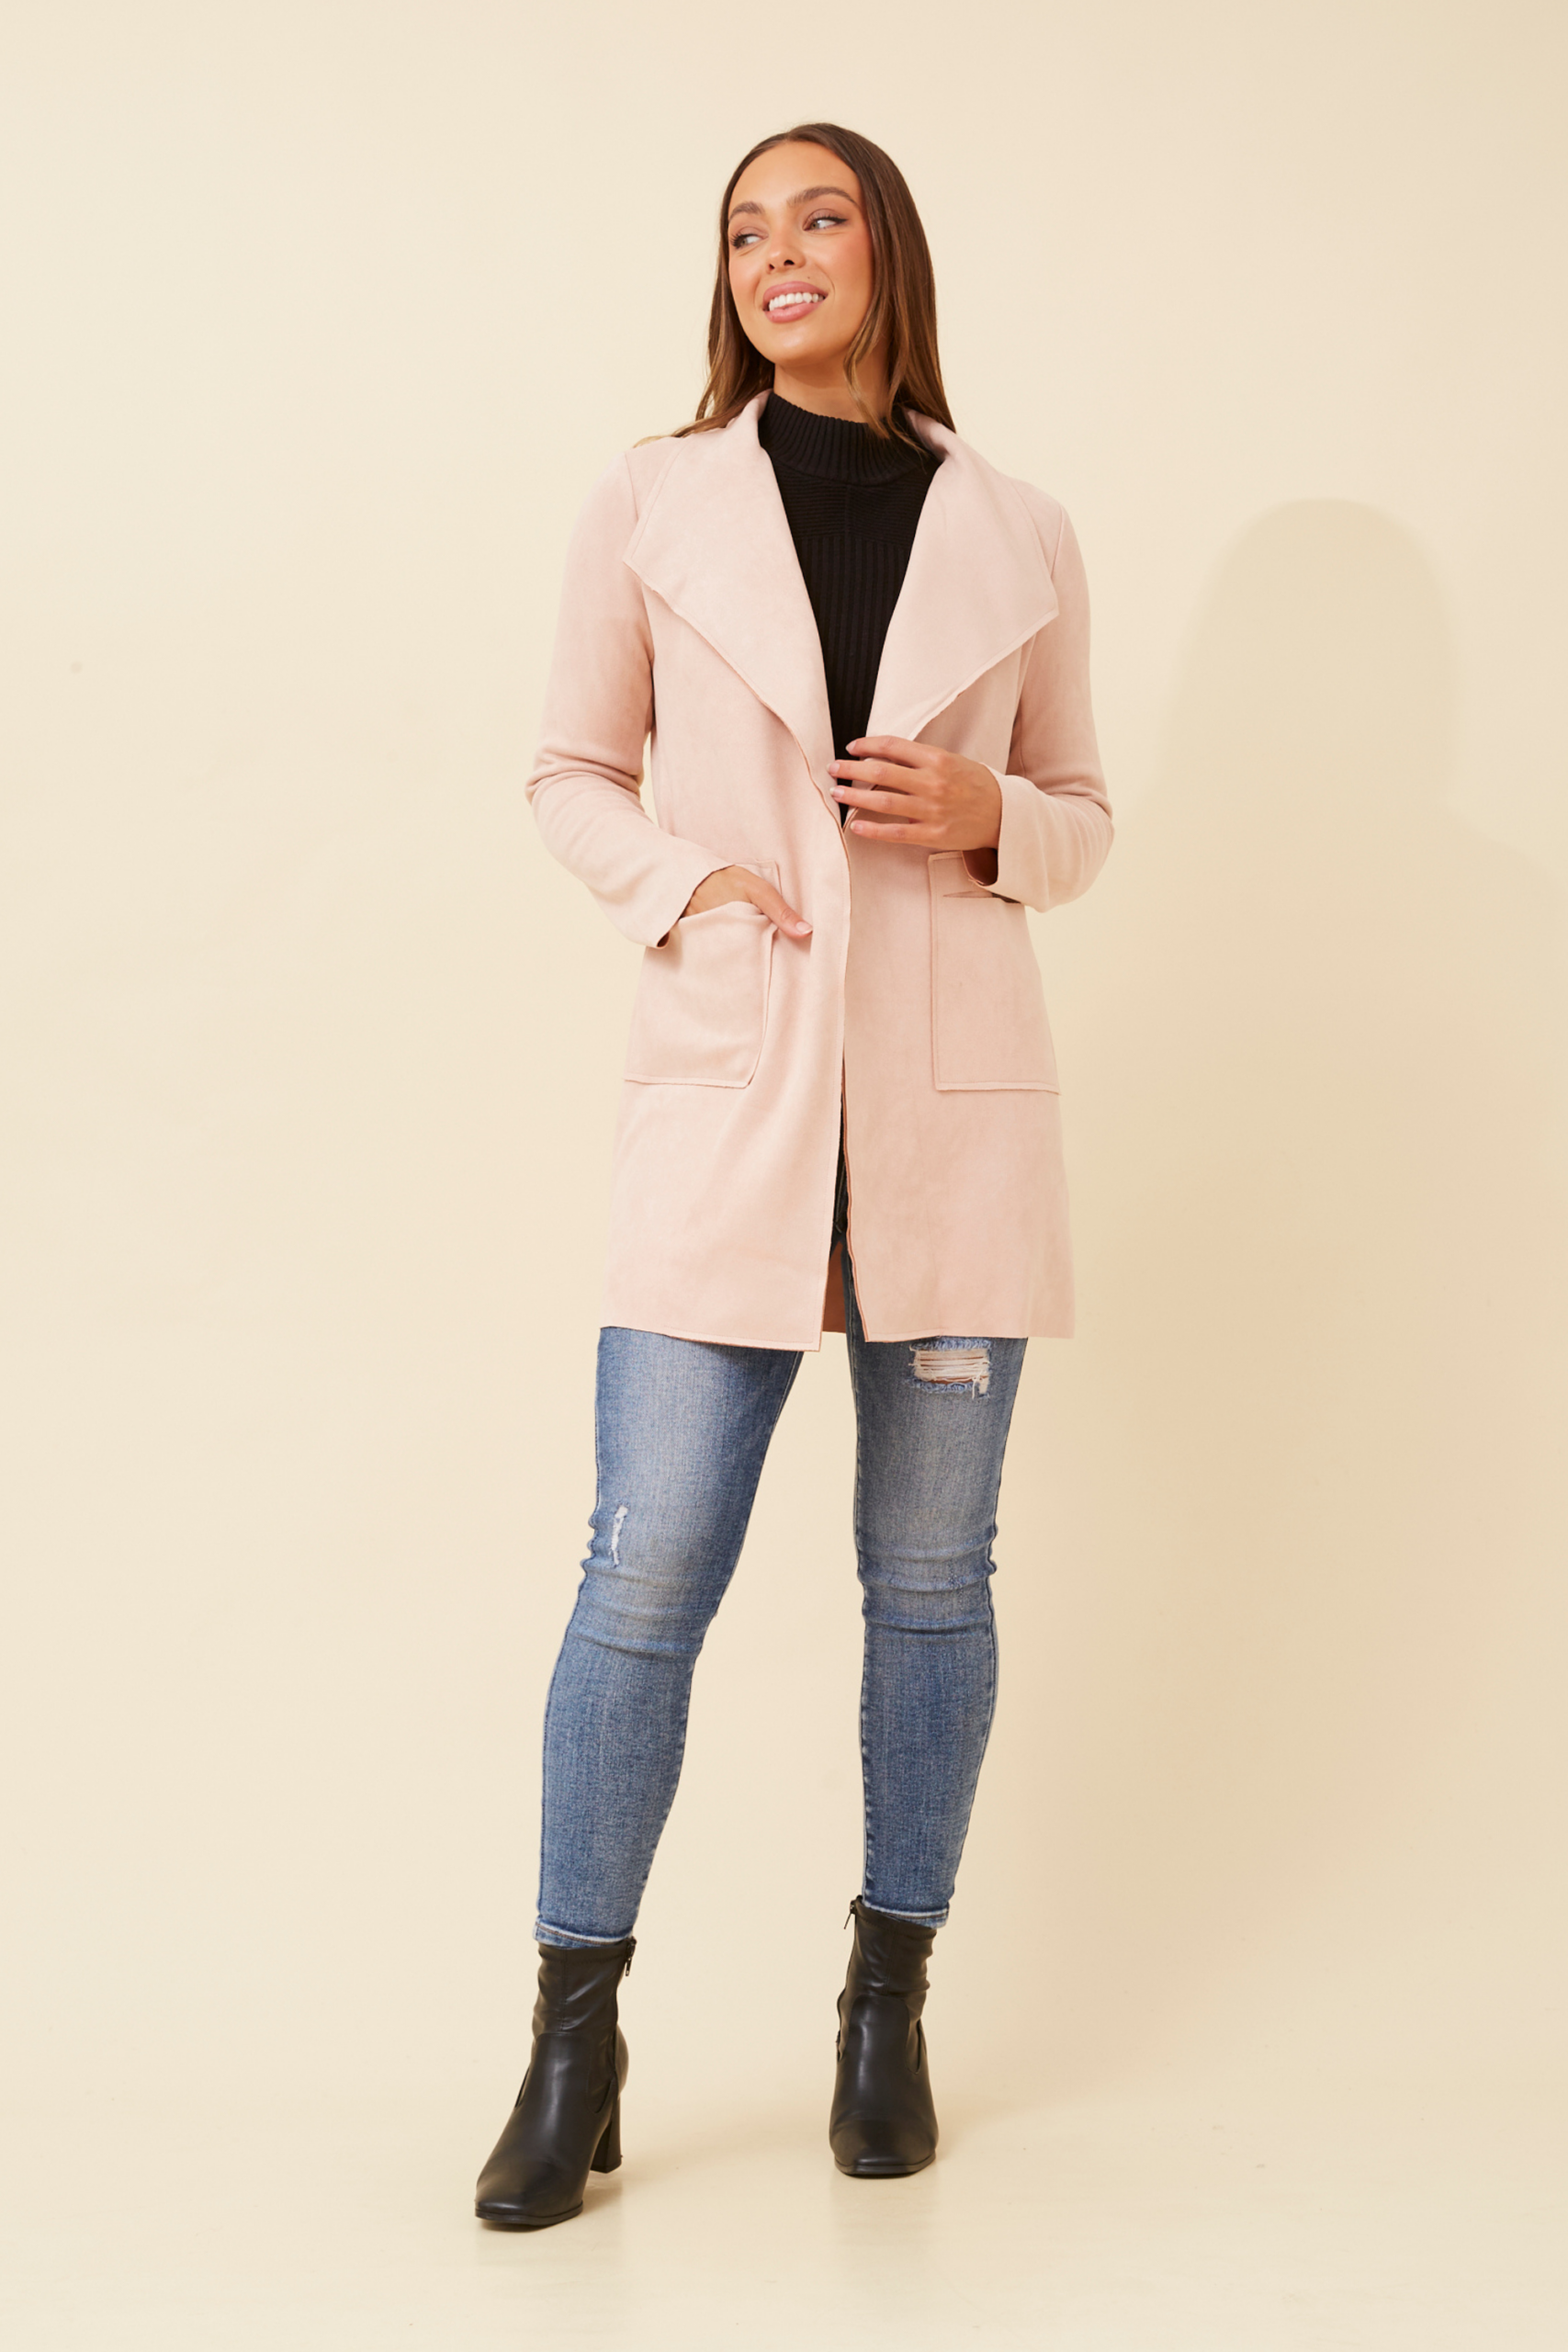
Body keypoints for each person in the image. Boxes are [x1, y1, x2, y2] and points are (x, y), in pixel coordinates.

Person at [476, 121, 1111, 2230]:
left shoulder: (1018, 525)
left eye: (816, 216)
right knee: (642, 1567)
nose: (777, 253)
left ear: (884, 252)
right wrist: (684, 886)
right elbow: (568, 767)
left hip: (947, 1112)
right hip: (732, 1089)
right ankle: (574, 2036)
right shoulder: (650, 497)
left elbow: (1085, 811)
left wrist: (988, 811)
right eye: (744, 228)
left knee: (930, 1579)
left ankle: (884, 2001)